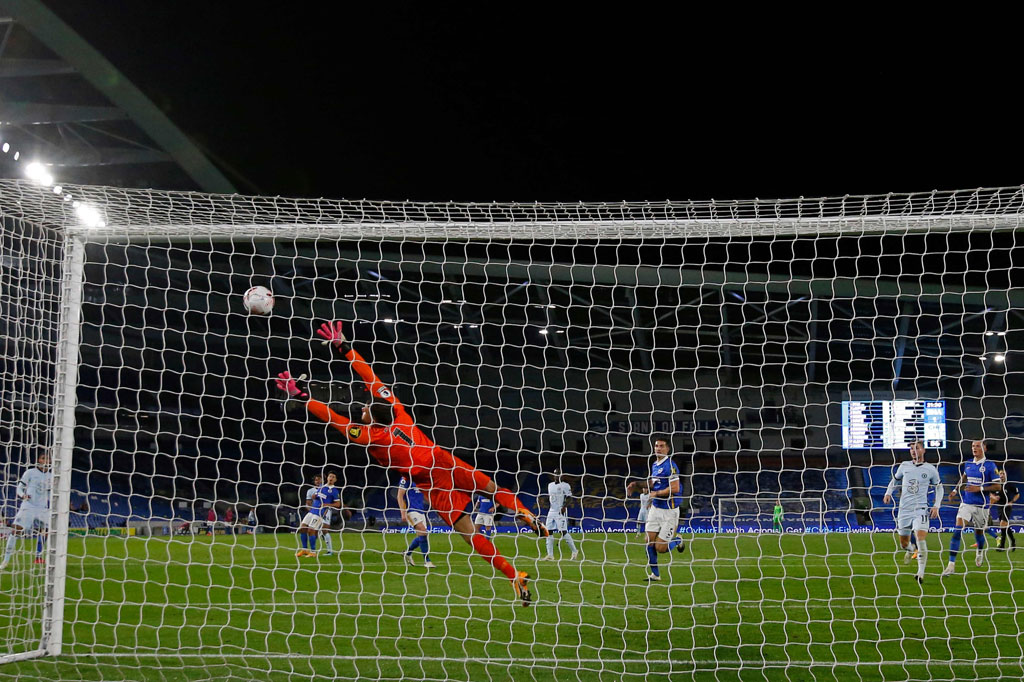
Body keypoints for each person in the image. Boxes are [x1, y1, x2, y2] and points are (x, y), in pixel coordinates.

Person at [274, 321, 546, 606]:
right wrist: (344, 347)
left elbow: (335, 418)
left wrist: (303, 397)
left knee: (469, 533)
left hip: (430, 481)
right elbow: (370, 375)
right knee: (492, 488)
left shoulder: (372, 437)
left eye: (365, 408)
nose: (363, 408)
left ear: (371, 417)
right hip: (443, 459)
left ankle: (514, 575)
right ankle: (525, 513)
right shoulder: (399, 411)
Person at [625, 435, 685, 582]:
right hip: (655, 508)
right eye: (656, 446)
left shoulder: (670, 465)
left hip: (669, 511)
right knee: (648, 542)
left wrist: (656, 493)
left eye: (662, 446)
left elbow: (675, 488)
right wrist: (636, 484)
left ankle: (677, 540)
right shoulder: (655, 465)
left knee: (661, 548)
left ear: (667, 448)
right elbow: (653, 482)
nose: (658, 448)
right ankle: (655, 574)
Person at [882, 440, 942, 584]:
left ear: (923, 450)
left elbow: (939, 487)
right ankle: (910, 549)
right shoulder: (904, 466)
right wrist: (888, 492)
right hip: (904, 510)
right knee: (903, 543)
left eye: (917, 448)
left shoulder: (930, 469)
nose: (913, 451)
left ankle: (920, 573)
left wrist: (937, 505)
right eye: (911, 449)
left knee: (921, 538)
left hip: (920, 509)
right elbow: (895, 481)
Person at [942, 440, 1001, 577]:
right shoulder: (968, 464)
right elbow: (963, 478)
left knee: (979, 534)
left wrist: (979, 488)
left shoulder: (990, 466)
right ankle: (951, 565)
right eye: (973, 446)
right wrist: (955, 491)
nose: (975, 448)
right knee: (957, 530)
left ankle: (980, 552)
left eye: (978, 446)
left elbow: (998, 487)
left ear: (984, 448)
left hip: (982, 506)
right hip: (967, 503)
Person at [1, 452, 51, 570]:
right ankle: (5, 560)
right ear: (39, 459)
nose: (46, 461)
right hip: (28, 506)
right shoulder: (30, 472)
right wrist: (23, 495)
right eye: (44, 458)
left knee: (47, 531)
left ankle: (38, 557)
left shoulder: (51, 476)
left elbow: (49, 492)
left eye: (48, 459)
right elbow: (19, 487)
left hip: (42, 508)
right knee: (15, 530)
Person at [297, 472, 341, 558]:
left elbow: (338, 504)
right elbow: (315, 497)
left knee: (311, 530)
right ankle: (305, 549)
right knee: (302, 528)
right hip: (312, 511)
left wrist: (327, 505)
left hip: (320, 512)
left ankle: (313, 552)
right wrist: (314, 496)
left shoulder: (334, 491)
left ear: (335, 480)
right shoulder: (322, 488)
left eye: (333, 477)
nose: (331, 478)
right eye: (330, 476)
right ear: (327, 478)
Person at [398, 474, 434, 567]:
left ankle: (407, 553)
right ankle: (427, 561)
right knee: (423, 531)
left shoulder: (419, 478)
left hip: (421, 510)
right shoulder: (405, 478)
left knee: (423, 535)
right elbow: (399, 495)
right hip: (410, 510)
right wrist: (403, 512)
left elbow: (425, 494)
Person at [542, 470, 578, 561]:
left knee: (563, 532)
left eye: (558, 474)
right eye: (555, 474)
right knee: (548, 531)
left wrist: (564, 506)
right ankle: (550, 555)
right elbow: (551, 497)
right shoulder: (550, 485)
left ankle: (574, 551)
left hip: (560, 511)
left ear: (561, 476)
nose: (556, 476)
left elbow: (569, 498)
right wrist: (544, 501)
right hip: (551, 511)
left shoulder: (565, 486)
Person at [305, 475, 336, 556]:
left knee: (324, 530)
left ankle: (330, 551)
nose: (317, 481)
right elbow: (309, 503)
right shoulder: (311, 490)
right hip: (315, 512)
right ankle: (312, 550)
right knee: (313, 530)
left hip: (326, 511)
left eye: (319, 479)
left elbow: (333, 501)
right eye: (316, 480)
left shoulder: (328, 489)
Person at [991, 469, 1018, 551]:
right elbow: (990, 494)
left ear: (1006, 475)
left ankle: (1002, 546)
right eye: (1000, 474)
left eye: (1003, 473)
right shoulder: (996, 485)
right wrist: (994, 497)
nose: (1002, 475)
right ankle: (1013, 541)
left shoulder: (1009, 485)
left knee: (1003, 523)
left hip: (1007, 506)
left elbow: (1017, 494)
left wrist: (1012, 502)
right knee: (1004, 525)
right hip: (999, 507)